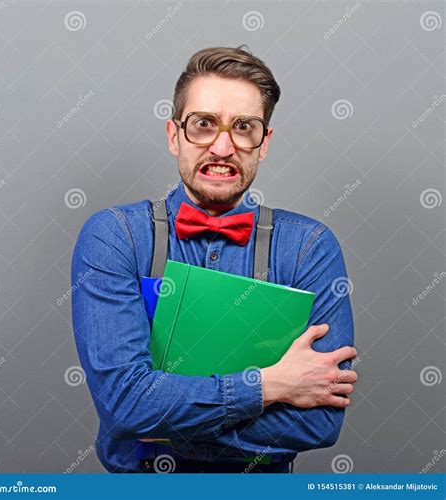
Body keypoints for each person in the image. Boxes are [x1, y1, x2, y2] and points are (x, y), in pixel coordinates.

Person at [71, 46, 358, 473]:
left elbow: (319, 422)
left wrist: (160, 420)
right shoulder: (116, 236)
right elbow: (124, 405)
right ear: (174, 135)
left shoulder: (308, 247)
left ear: (264, 144)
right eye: (203, 124)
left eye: (244, 127)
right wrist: (268, 387)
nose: (222, 147)